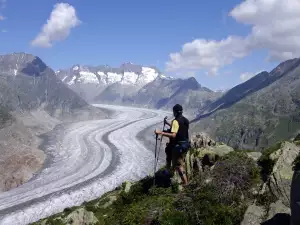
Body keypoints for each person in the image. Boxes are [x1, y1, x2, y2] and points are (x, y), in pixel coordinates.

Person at [155, 104, 190, 185]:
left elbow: (174, 134)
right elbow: (179, 128)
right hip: (185, 144)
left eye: (173, 111)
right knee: (172, 156)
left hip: (178, 146)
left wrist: (161, 133)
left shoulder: (175, 121)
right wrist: (167, 123)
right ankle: (169, 173)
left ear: (175, 112)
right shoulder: (186, 120)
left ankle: (185, 183)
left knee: (179, 165)